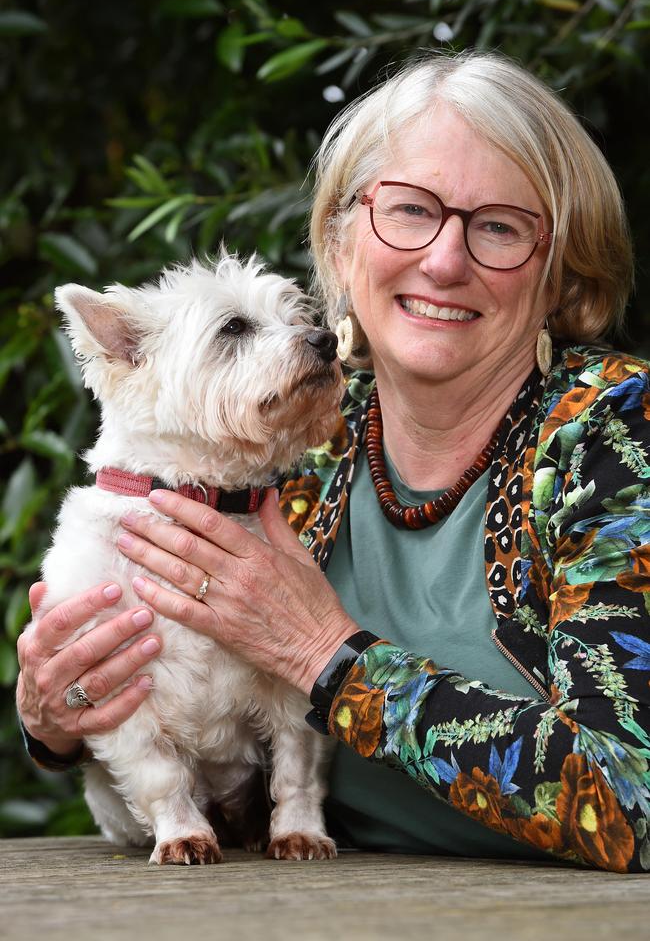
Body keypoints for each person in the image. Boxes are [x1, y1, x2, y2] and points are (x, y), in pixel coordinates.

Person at [16, 51, 650, 872]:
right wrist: (56, 717)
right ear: (342, 244)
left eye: (499, 225)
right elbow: (191, 715)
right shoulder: (276, 442)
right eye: (411, 210)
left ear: (560, 271)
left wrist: (328, 658)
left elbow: (633, 797)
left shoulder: (614, 433)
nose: (446, 261)